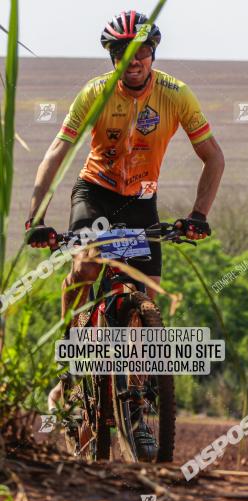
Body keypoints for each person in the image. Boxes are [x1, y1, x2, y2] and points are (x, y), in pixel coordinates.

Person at [25, 11, 225, 458]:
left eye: (141, 52)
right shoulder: (95, 94)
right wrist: (35, 217)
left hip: (140, 201)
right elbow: (58, 151)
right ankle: (72, 366)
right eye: (122, 53)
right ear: (112, 57)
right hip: (94, 192)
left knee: (143, 298)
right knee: (87, 263)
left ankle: (135, 404)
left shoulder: (176, 95)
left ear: (153, 53)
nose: (132, 60)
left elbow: (213, 157)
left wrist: (198, 214)